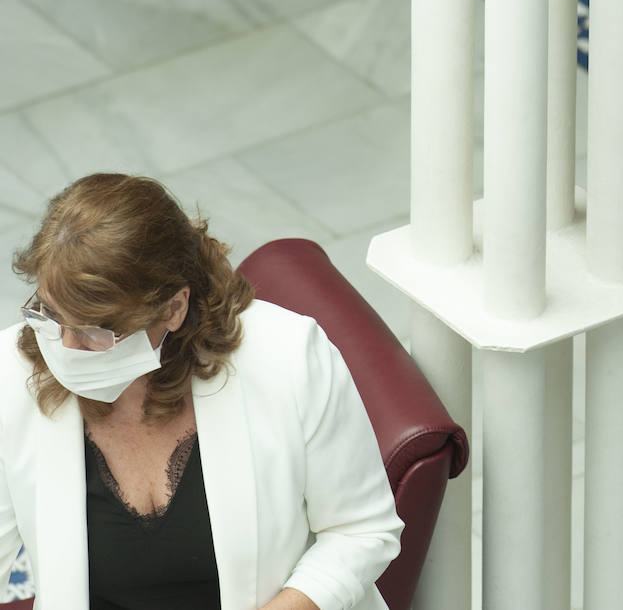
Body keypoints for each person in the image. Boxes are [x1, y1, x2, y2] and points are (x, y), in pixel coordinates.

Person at [0, 173, 403, 610]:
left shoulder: (287, 357)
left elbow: (361, 529)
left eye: (96, 332)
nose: (66, 347)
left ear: (173, 308)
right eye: (49, 314)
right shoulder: (11, 376)